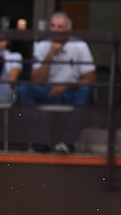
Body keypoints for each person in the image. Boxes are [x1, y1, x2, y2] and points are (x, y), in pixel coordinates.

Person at [17, 11, 96, 154]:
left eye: (60, 27)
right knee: (24, 89)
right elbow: (36, 80)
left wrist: (65, 86)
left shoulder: (80, 46)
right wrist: (50, 54)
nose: (55, 30)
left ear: (68, 30)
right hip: (47, 91)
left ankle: (68, 143)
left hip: (71, 91)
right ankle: (39, 142)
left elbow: (91, 78)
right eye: (53, 26)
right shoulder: (42, 46)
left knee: (86, 91)